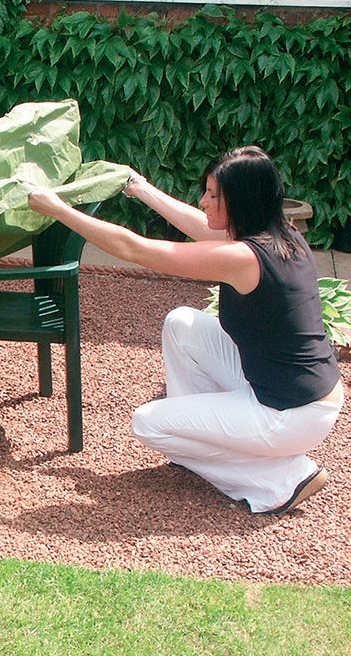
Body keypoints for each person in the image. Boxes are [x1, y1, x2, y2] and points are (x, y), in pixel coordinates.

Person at [28, 146, 344, 515]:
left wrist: (60, 211)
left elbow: (136, 250)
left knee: (148, 424)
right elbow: (199, 225)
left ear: (241, 202)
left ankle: (282, 479)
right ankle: (194, 444)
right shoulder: (282, 234)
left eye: (213, 195)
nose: (204, 202)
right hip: (305, 393)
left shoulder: (242, 258)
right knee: (183, 323)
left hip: (288, 414)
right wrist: (140, 186)